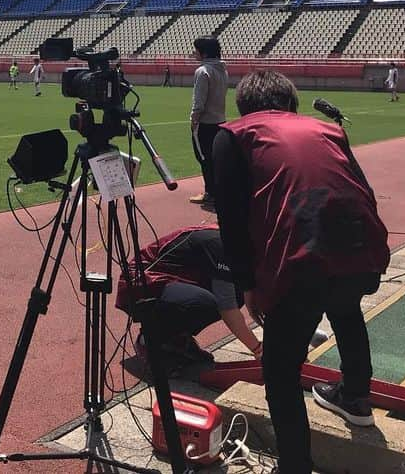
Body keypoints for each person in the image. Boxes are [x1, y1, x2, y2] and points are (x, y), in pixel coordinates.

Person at [213, 70, 390, 474]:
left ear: (243, 106)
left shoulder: (234, 136)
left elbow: (231, 220)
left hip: (299, 264)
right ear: (291, 102)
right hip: (360, 249)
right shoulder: (329, 131)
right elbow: (361, 190)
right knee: (346, 308)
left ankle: (294, 466)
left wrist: (249, 287)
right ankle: (357, 397)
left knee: (280, 372)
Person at [115, 226, 263, 368]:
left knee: (238, 291)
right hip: (141, 284)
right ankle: (149, 340)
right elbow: (228, 308)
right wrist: (259, 350)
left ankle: (176, 337)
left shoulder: (240, 241)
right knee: (208, 303)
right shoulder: (222, 246)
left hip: (176, 280)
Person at [189, 36, 228, 209]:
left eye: (196, 50)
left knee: (204, 158)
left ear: (203, 52)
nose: (193, 53)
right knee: (215, 159)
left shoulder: (203, 71)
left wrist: (194, 119)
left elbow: (199, 101)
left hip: (205, 123)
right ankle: (218, 191)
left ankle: (211, 193)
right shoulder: (222, 69)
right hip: (220, 120)